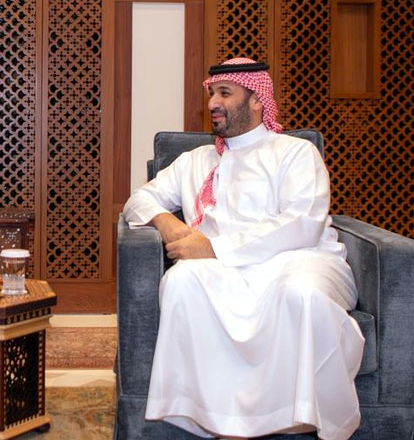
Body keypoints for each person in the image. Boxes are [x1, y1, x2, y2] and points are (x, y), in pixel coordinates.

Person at [122, 58, 364, 440]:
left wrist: (213, 247)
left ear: (256, 100)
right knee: (182, 281)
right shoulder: (195, 161)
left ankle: (296, 413)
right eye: (211, 94)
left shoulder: (294, 153)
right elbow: (139, 200)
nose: (213, 103)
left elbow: (302, 224)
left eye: (225, 93)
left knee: (300, 294)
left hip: (297, 260)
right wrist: (169, 224)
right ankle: (212, 415)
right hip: (222, 270)